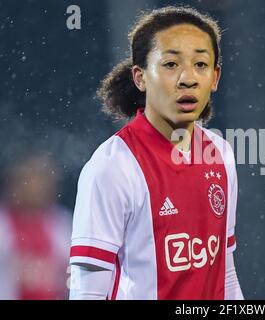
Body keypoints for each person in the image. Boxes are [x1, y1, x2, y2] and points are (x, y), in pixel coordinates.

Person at [69, 5, 244, 300]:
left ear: (215, 78)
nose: (188, 78)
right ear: (140, 77)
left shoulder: (221, 155)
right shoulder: (112, 167)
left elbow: (224, 272)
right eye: (171, 64)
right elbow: (88, 291)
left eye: (200, 64)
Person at [0, 154, 72, 300]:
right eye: (28, 181)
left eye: (40, 182)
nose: (34, 189)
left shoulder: (61, 222)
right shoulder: (4, 222)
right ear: (14, 184)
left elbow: (72, 270)